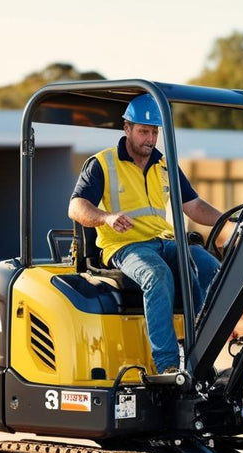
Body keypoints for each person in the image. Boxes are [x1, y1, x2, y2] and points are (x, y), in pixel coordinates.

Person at [68, 93, 223, 374]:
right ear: (126, 128)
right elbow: (76, 206)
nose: (150, 139)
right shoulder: (102, 164)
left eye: (154, 132)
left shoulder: (165, 166)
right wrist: (106, 217)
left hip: (165, 242)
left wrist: (229, 220)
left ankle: (202, 350)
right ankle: (166, 366)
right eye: (143, 131)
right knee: (156, 275)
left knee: (212, 267)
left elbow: (195, 205)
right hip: (125, 247)